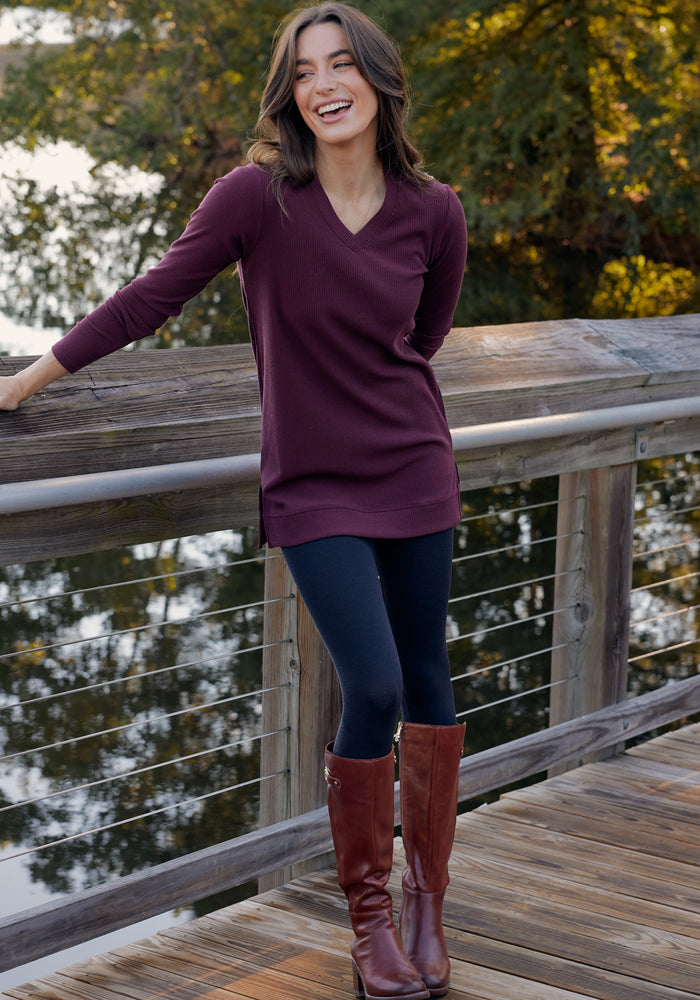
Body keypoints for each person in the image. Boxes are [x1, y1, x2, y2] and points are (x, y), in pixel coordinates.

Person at [0, 4, 467, 998]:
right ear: (289, 95)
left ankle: (429, 904)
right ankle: (371, 920)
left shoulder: (434, 209)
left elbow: (422, 340)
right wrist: (25, 380)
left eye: (341, 64)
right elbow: (153, 294)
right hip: (312, 485)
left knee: (429, 681)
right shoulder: (257, 198)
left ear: (378, 78)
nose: (324, 85)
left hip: (415, 468)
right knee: (373, 688)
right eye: (304, 72)